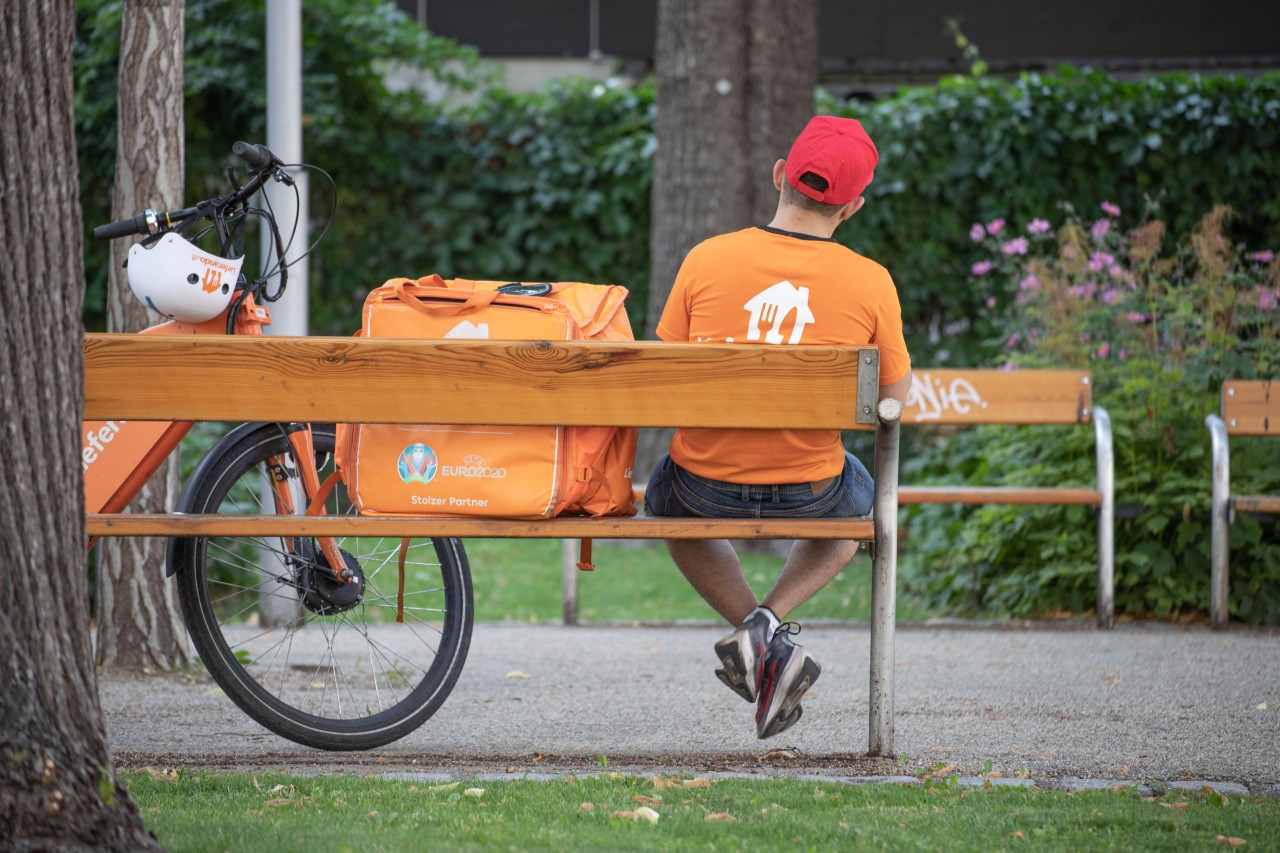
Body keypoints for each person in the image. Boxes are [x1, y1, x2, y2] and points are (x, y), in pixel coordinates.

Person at [645, 115, 913, 739]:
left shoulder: (707, 257)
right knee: (862, 503)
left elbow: (664, 376)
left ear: (779, 176)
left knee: (667, 501)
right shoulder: (872, 282)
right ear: (853, 207)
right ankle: (767, 623)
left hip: (700, 485)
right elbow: (894, 403)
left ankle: (757, 636)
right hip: (811, 488)